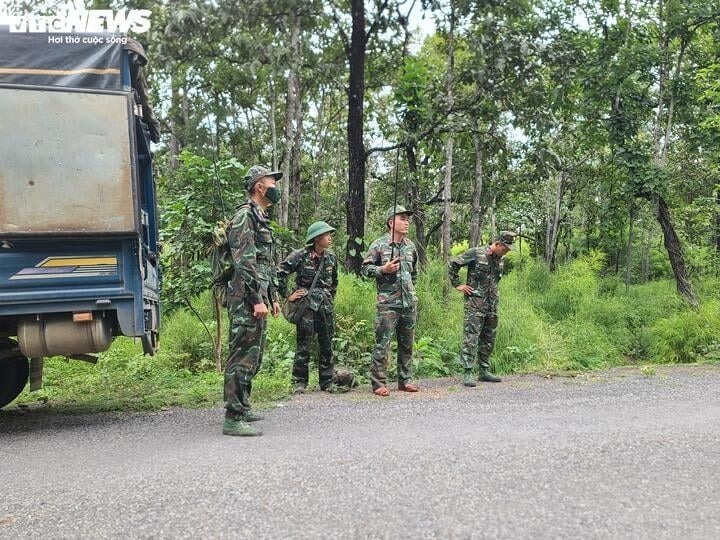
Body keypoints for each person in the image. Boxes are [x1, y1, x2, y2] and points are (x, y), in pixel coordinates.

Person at [222, 165, 282, 437]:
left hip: (257, 296)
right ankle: (232, 419)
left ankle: (243, 406)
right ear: (259, 185)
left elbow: (264, 264)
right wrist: (256, 299)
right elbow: (244, 262)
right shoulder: (245, 216)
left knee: (253, 355)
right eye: (272, 180)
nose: (275, 185)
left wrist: (272, 297)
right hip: (245, 298)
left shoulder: (260, 216)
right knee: (242, 357)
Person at [277, 221, 349, 394]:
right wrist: (287, 294)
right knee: (304, 343)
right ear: (317, 238)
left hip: (325, 306)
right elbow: (279, 273)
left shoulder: (331, 258)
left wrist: (329, 299)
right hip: (306, 307)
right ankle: (299, 383)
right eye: (327, 235)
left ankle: (327, 382)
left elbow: (334, 283)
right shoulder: (299, 255)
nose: (330, 238)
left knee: (326, 343)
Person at [361, 206, 420, 396]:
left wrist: (411, 292)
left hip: (408, 303)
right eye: (402, 218)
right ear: (391, 222)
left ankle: (405, 380)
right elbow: (364, 269)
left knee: (407, 344)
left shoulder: (411, 246)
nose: (407, 222)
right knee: (383, 344)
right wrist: (382, 270)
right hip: (388, 304)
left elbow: (414, 274)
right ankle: (379, 383)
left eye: (407, 219)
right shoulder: (379, 245)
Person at [448, 231, 515, 387]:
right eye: (504, 249)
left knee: (489, 338)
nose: (506, 252)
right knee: (471, 338)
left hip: (492, 305)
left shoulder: (500, 259)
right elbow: (453, 263)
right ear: (497, 244)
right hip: (475, 304)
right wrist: (457, 284)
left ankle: (484, 370)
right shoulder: (476, 253)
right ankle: (468, 372)